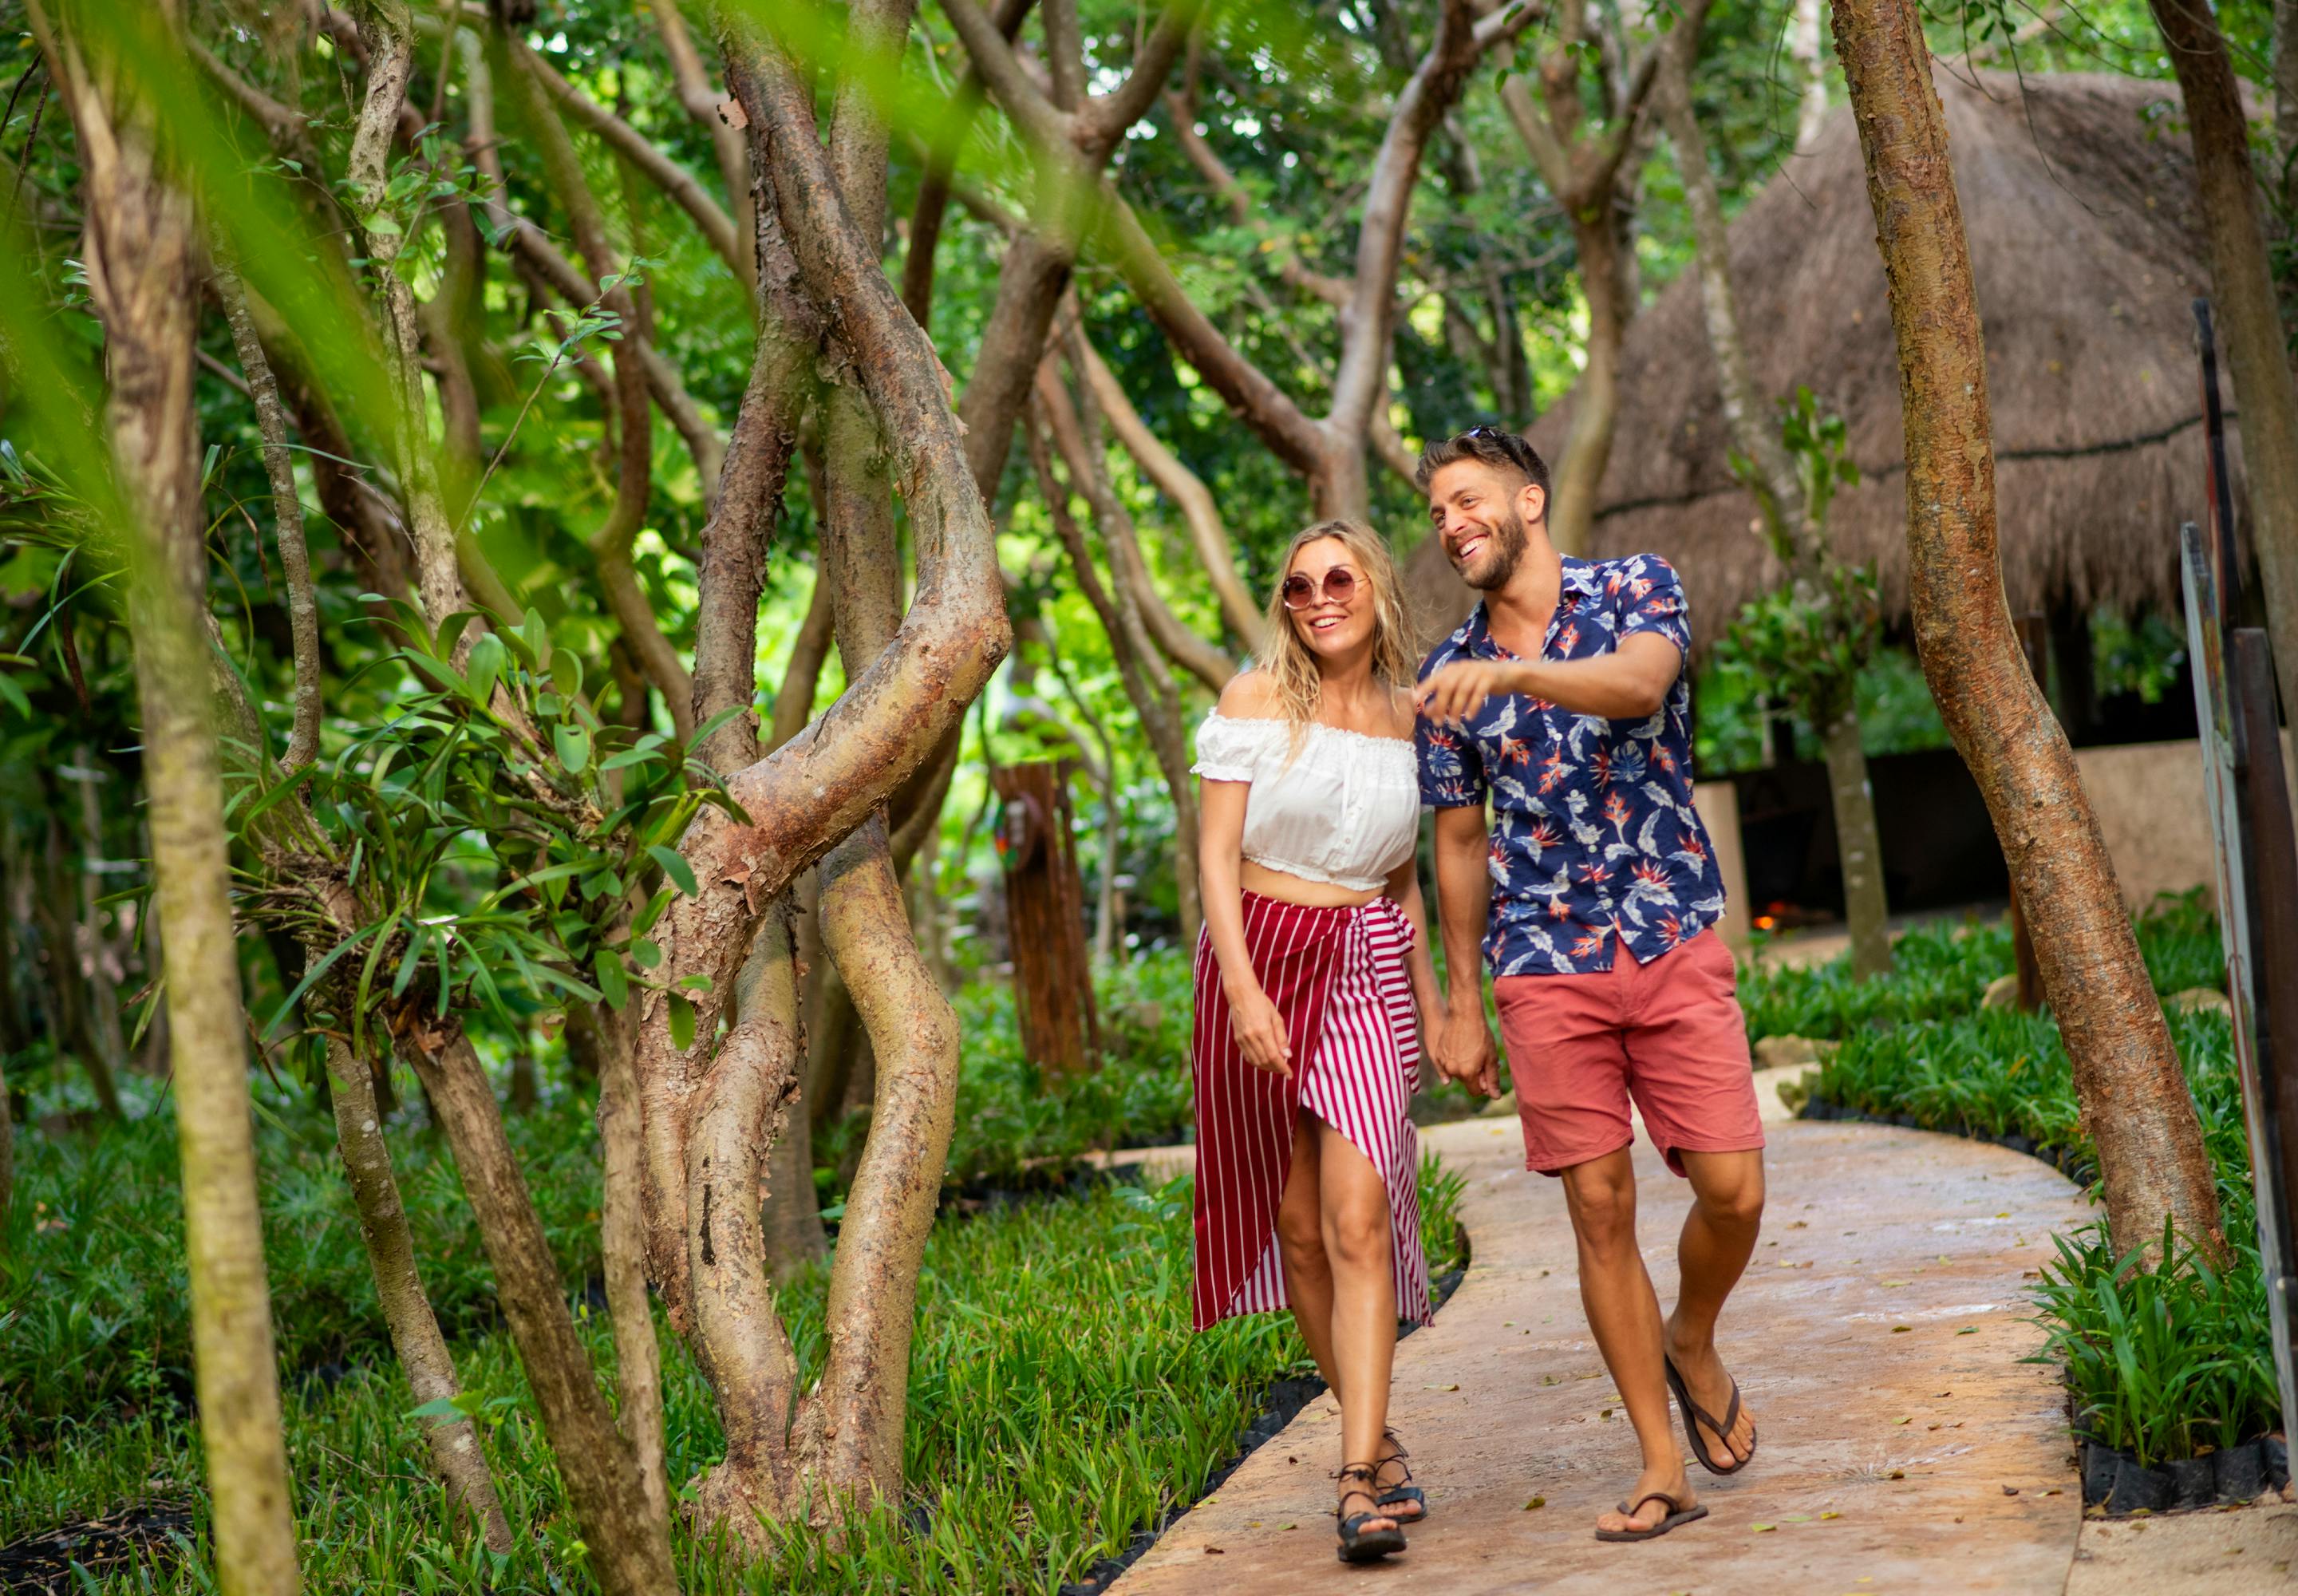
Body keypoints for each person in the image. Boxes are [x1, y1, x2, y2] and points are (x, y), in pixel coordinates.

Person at [1413, 427, 1767, 1543]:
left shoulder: (1635, 587)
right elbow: (1459, 846)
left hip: (1666, 933)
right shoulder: (1442, 671)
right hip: (1540, 963)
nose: (1452, 524)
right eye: (1436, 514)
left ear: (1529, 498)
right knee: (1598, 1210)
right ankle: (1660, 1461)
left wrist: (1516, 673)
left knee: (1734, 1191)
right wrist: (1460, 1000)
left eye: (1467, 500)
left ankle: (1692, 1337)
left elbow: (1641, 685)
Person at [1190, 519, 1444, 1564]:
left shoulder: (1407, 717)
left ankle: (1350, 1481)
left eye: (1339, 578)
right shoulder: (1255, 698)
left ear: (1377, 587)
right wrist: (1245, 991)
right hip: (1258, 962)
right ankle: (1374, 1439)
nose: (1319, 597)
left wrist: (1430, 1006)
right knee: (1295, 1227)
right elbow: (1212, 861)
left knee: (1355, 1221)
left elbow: (1402, 877)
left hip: (1366, 963)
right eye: (1299, 586)